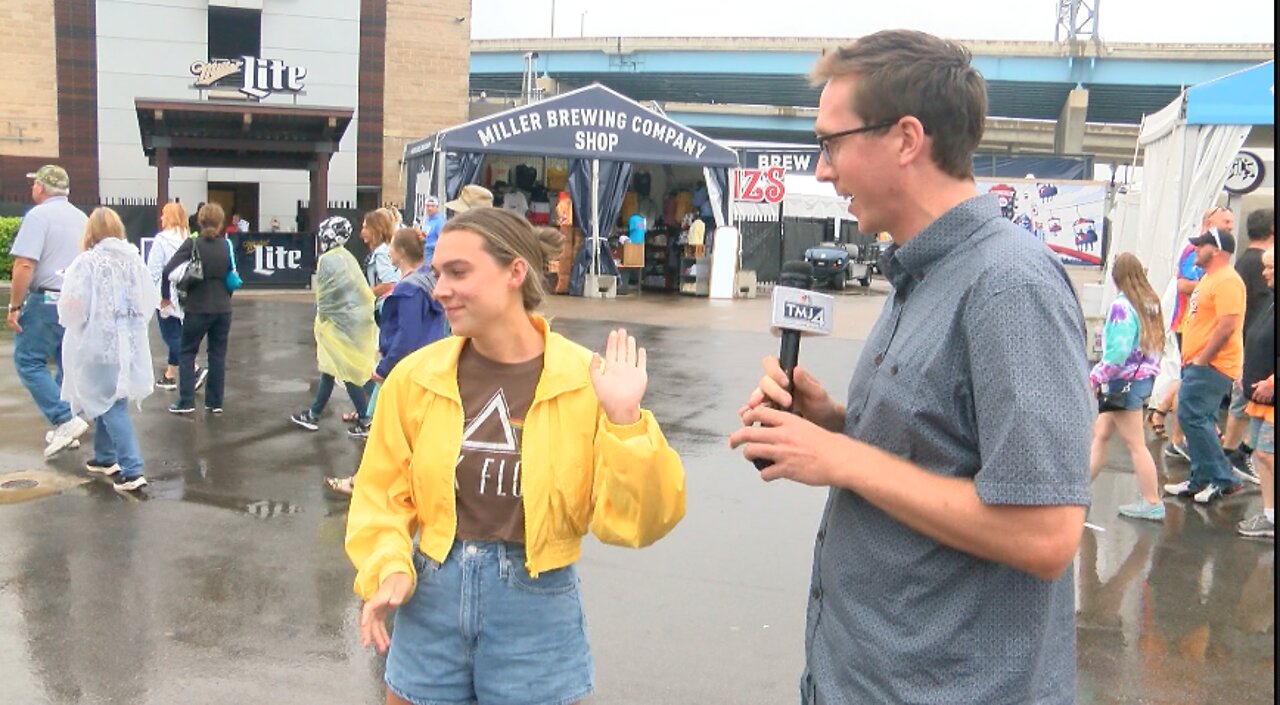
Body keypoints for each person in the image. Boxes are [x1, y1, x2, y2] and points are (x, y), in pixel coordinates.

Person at [728, 31, 1091, 705]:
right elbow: (948, 443)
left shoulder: (1009, 286)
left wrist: (839, 457)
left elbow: (1045, 533)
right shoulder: (920, 274)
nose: (822, 171)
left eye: (831, 143)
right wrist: (834, 421)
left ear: (905, 138)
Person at [345, 207, 685, 705]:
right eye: (438, 273)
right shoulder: (415, 379)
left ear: (515, 273)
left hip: (537, 608)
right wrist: (390, 565)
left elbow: (640, 522)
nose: (439, 289)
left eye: (458, 273)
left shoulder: (585, 379)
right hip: (430, 600)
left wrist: (626, 422)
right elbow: (380, 496)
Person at [325, 226, 448, 494]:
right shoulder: (429, 281)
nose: (388, 251)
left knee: (382, 427)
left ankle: (365, 481)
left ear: (401, 253)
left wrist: (383, 367)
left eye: (392, 246)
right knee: (408, 431)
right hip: (426, 366)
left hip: (405, 370)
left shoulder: (409, 290)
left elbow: (407, 335)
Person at [57, 207, 158, 492]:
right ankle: (104, 457)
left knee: (109, 402)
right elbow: (147, 301)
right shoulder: (134, 261)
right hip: (128, 343)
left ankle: (132, 468)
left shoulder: (87, 262)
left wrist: (74, 313)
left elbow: (72, 307)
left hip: (97, 341)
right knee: (110, 397)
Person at [6, 165, 91, 457]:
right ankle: (67, 422)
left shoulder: (38, 216)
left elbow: (25, 264)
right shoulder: (82, 218)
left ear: (42, 187)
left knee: (28, 360)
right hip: (76, 300)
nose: (32, 189)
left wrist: (15, 306)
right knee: (65, 363)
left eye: (35, 184)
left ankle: (65, 419)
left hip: (46, 300)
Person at [1164, 228, 1247, 504]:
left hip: (1212, 364)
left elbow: (1227, 326)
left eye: (1202, 245)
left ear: (1218, 250)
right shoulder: (1210, 279)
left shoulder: (1227, 281)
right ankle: (1201, 477)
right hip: (1200, 363)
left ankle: (1223, 479)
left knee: (1191, 416)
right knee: (1199, 419)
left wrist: (1203, 357)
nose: (1196, 250)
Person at [1149, 206, 1236, 452]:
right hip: (1189, 324)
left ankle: (1164, 415)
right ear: (1209, 222)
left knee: (1187, 378)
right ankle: (1178, 438)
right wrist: (1213, 286)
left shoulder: (1219, 256)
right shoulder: (1194, 250)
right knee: (1190, 378)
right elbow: (1183, 284)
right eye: (1226, 220)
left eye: (1232, 222)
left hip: (1202, 326)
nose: (1230, 225)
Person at [1088, 252, 1166, 521]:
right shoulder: (1150, 302)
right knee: (1101, 433)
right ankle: (1079, 488)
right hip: (1142, 378)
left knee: (1136, 445)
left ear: (1116, 276)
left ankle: (1152, 501)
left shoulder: (1122, 306)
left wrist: (1096, 376)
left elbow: (1117, 352)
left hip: (1123, 381)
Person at [289, 216, 377, 434]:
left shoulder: (328, 260)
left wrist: (322, 319)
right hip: (354, 322)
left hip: (338, 325)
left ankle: (366, 418)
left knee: (347, 371)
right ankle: (314, 414)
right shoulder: (346, 257)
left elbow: (326, 298)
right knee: (330, 369)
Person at [161, 202, 234, 415]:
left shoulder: (193, 244)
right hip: (222, 308)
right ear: (221, 223)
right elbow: (230, 275)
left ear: (200, 221)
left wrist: (166, 296)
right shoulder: (225, 245)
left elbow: (168, 270)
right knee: (218, 355)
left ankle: (186, 401)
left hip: (197, 306)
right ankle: (215, 402)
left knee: (187, 352)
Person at [1220, 207, 1274, 481]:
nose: (1268, 273)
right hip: (1254, 354)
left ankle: (1233, 456)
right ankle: (1234, 457)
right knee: (1246, 411)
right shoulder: (1256, 265)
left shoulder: (1242, 262)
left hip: (1251, 351)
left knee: (1243, 410)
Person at [1237, 247, 1274, 538]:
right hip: (1258, 395)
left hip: (1270, 394)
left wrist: (1272, 382)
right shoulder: (1270, 302)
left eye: (1270, 268)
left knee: (1267, 453)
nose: (1264, 273)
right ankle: (1270, 516)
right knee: (1263, 457)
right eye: (1265, 267)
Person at [146, 202, 191, 391]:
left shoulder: (162, 240)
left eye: (164, 215)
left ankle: (194, 368)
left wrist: (148, 293)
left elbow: (154, 270)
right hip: (186, 291)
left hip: (165, 293)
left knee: (170, 336)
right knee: (179, 333)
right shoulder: (189, 238)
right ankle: (170, 375)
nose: (161, 218)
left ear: (170, 217)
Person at [361, 208, 400, 315]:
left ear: (377, 229)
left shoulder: (381, 252)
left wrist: (364, 294)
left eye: (366, 228)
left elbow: (390, 283)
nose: (362, 232)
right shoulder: (388, 248)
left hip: (383, 308)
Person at [421, 196, 445, 266]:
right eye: (428, 206)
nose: (430, 208)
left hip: (433, 259)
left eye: (432, 206)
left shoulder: (440, 222)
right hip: (425, 257)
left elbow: (442, 241)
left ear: (437, 207)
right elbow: (425, 235)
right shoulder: (427, 220)